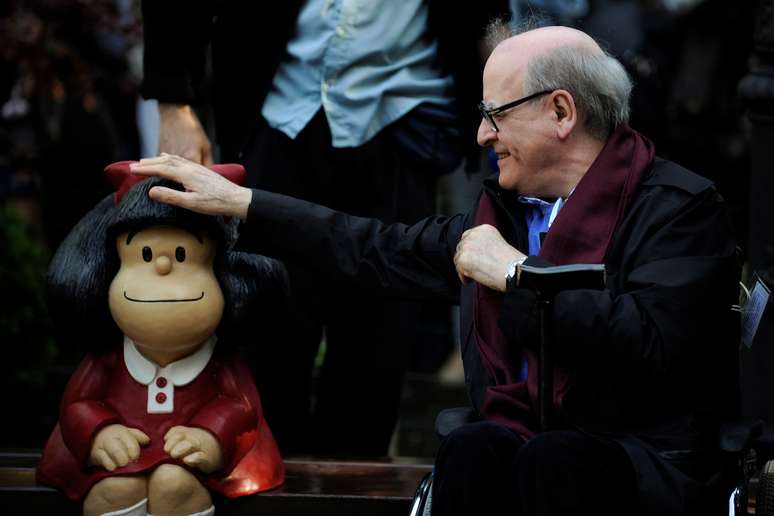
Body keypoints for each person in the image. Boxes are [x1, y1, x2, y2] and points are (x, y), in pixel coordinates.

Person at [131, 22, 739, 515]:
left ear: (561, 112)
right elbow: (368, 245)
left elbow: (654, 345)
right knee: (476, 448)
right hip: (525, 451)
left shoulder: (681, 208)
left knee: (551, 460)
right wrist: (243, 203)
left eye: (494, 114)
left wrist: (520, 276)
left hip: (637, 461)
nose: (480, 135)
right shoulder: (500, 213)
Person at [139, 0, 509, 456]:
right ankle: (266, 485)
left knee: (379, 344)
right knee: (268, 330)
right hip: (277, 111)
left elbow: (490, 14)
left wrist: (506, 106)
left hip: (402, 118)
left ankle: (356, 489)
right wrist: (174, 102)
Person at [37, 164, 285, 515]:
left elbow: (240, 406)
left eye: (182, 256)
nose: (163, 269)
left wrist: (211, 435)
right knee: (112, 491)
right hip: (122, 461)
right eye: (145, 255)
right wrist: (98, 432)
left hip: (194, 463)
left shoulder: (218, 361)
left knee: (175, 485)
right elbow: (78, 403)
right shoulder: (111, 357)